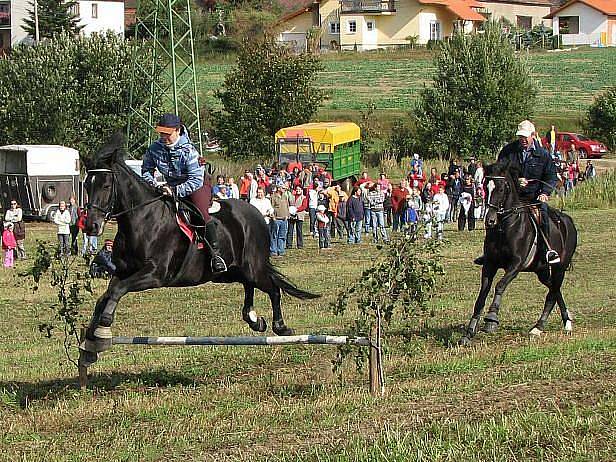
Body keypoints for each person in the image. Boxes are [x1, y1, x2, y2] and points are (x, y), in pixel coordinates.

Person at [142, 113, 226, 272]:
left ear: (177, 130)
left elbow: (195, 180)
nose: (163, 136)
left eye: (167, 133)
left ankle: (216, 255)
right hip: (169, 187)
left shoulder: (189, 151)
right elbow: (146, 170)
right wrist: (156, 186)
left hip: (196, 185)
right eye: (161, 133)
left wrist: (174, 191)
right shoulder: (154, 149)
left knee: (200, 212)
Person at [477, 119, 559, 265]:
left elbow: (551, 176)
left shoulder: (543, 155)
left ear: (533, 135)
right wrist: (516, 180)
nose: (522, 140)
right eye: (520, 137)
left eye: (525, 137)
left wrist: (545, 192)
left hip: (534, 197)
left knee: (544, 214)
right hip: (510, 197)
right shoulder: (508, 151)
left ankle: (547, 250)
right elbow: (499, 172)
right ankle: (488, 252)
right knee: (493, 217)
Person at [270, 184, 293, 256]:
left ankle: (281, 250)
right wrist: (273, 217)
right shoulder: (273, 197)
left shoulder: (285, 196)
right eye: (283, 188)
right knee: (274, 235)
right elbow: (271, 208)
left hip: (284, 219)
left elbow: (287, 206)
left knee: (282, 235)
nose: (284, 189)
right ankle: (274, 251)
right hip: (276, 219)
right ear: (278, 188)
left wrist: (287, 215)